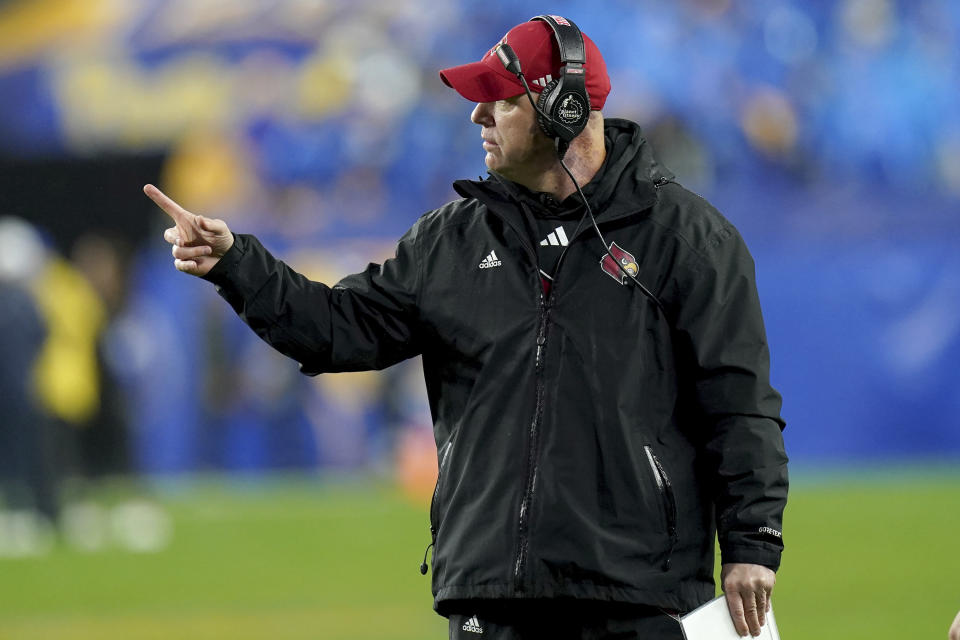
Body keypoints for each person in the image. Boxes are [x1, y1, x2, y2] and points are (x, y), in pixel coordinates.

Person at [145, 15, 788, 640]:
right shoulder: (448, 242)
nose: (476, 116)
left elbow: (738, 404)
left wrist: (752, 541)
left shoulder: (688, 240)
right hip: (491, 597)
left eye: (498, 101)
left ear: (563, 112)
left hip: (639, 596)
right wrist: (236, 264)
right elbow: (335, 330)